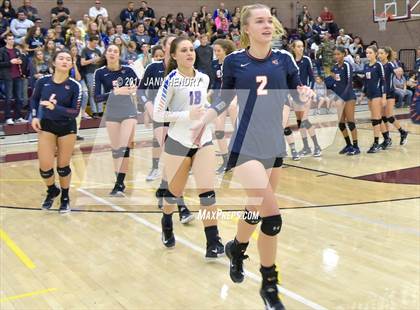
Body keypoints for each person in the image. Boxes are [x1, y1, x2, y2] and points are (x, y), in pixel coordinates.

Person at [191, 4, 312, 309]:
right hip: (245, 147)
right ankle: (269, 285)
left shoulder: (284, 60)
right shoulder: (234, 62)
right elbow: (222, 99)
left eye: (269, 20)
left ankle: (237, 246)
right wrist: (204, 119)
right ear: (247, 29)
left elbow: (296, 98)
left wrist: (304, 98)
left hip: (274, 145)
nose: (267, 25)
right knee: (272, 218)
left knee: (256, 208)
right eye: (259, 21)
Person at [153, 36, 224, 258]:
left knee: (208, 192)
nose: (189, 53)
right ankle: (167, 221)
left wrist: (211, 111)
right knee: (173, 194)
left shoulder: (203, 78)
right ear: (174, 55)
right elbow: (157, 113)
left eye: (191, 49)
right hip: (178, 142)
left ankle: (213, 242)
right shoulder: (170, 80)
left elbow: (203, 105)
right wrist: (186, 115)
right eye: (183, 50)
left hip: (203, 140)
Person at [139, 35, 194, 223]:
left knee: (176, 162)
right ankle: (182, 207)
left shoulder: (187, 70)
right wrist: (147, 106)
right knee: (174, 160)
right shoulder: (153, 68)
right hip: (161, 118)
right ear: (166, 49)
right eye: (172, 44)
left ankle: (164, 186)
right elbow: (141, 90)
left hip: (181, 120)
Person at [30, 49, 81, 213]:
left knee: (63, 167)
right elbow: (34, 99)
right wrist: (35, 117)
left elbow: (75, 112)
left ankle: (65, 197)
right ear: (54, 62)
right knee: (45, 168)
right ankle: (52, 190)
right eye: (61, 58)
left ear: (71, 64)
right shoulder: (42, 81)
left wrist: (55, 107)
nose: (65, 61)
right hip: (47, 125)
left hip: (67, 127)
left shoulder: (75, 86)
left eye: (68, 59)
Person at [93, 44, 140, 195]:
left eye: (116, 51)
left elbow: (140, 87)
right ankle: (118, 180)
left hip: (129, 111)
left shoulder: (129, 70)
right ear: (105, 54)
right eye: (110, 51)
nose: (112, 53)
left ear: (119, 55)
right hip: (112, 112)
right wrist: (115, 92)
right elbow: (97, 98)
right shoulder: (100, 73)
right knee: (116, 149)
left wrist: (134, 90)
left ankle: (119, 183)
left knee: (123, 146)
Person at [209, 39, 237, 174]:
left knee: (238, 127)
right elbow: (216, 83)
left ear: (226, 50)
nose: (216, 53)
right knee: (218, 130)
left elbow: (240, 82)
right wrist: (208, 92)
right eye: (214, 50)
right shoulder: (215, 64)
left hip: (235, 95)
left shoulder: (233, 63)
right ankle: (226, 162)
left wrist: (235, 98)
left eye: (218, 50)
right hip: (222, 98)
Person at [290, 39, 321, 157]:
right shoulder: (291, 61)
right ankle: (306, 147)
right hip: (295, 95)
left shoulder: (306, 60)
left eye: (302, 46)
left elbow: (312, 78)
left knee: (305, 120)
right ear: (293, 48)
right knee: (300, 122)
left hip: (305, 94)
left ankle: (317, 146)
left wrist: (310, 90)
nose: (301, 48)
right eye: (298, 46)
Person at [328, 46, 360, 155]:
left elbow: (349, 83)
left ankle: (356, 146)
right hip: (339, 98)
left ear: (343, 54)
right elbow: (333, 84)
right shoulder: (335, 68)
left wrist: (342, 97)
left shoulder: (347, 65)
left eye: (338, 54)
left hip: (348, 97)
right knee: (341, 124)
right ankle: (348, 145)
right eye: (335, 54)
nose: (336, 56)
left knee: (350, 122)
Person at [378, 47, 408, 147]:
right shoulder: (378, 65)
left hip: (390, 93)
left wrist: (397, 67)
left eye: (381, 53)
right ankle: (387, 139)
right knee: (382, 117)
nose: (379, 55)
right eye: (378, 53)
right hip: (381, 93)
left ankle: (403, 132)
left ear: (386, 54)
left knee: (389, 116)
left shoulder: (390, 64)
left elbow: (398, 73)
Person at [363, 45, 386, 154]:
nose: (368, 55)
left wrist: (384, 96)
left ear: (375, 53)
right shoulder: (366, 66)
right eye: (367, 53)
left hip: (377, 94)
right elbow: (366, 82)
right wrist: (363, 94)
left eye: (370, 53)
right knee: (377, 118)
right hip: (369, 95)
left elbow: (383, 82)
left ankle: (376, 143)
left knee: (375, 119)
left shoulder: (378, 65)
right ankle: (387, 139)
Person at [0, 33, 27, 125]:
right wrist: (10, 62)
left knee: (19, 98)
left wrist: (20, 61)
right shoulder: (2, 50)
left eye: (12, 39)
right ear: (5, 40)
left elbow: (21, 62)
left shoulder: (16, 50)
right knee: (8, 98)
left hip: (17, 76)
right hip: (7, 77)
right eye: (10, 39)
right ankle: (8, 117)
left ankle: (18, 117)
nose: (12, 41)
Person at [81, 35, 102, 117]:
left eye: (97, 43)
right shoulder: (85, 50)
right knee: (92, 92)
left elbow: (100, 62)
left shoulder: (98, 50)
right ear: (90, 42)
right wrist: (93, 60)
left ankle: (100, 111)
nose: (95, 45)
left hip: (97, 72)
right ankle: (94, 111)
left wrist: (98, 61)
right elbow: (83, 62)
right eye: (94, 43)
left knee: (99, 92)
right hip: (89, 72)